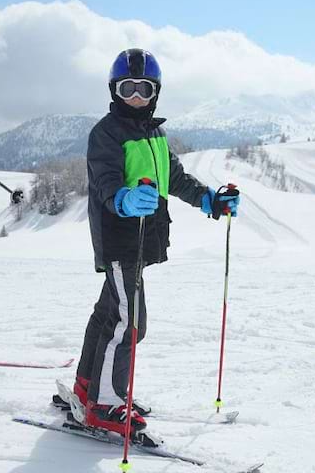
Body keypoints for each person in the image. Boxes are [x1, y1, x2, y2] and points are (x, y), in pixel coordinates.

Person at [73, 49, 240, 438]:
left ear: (155, 92)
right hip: (119, 241)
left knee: (107, 315)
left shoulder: (155, 134)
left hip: (143, 242)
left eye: (143, 88)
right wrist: (124, 200)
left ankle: (88, 387)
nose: (135, 95)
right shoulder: (106, 133)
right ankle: (107, 404)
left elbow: (176, 178)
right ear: (114, 91)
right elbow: (104, 182)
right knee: (128, 323)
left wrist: (210, 200)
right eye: (127, 88)